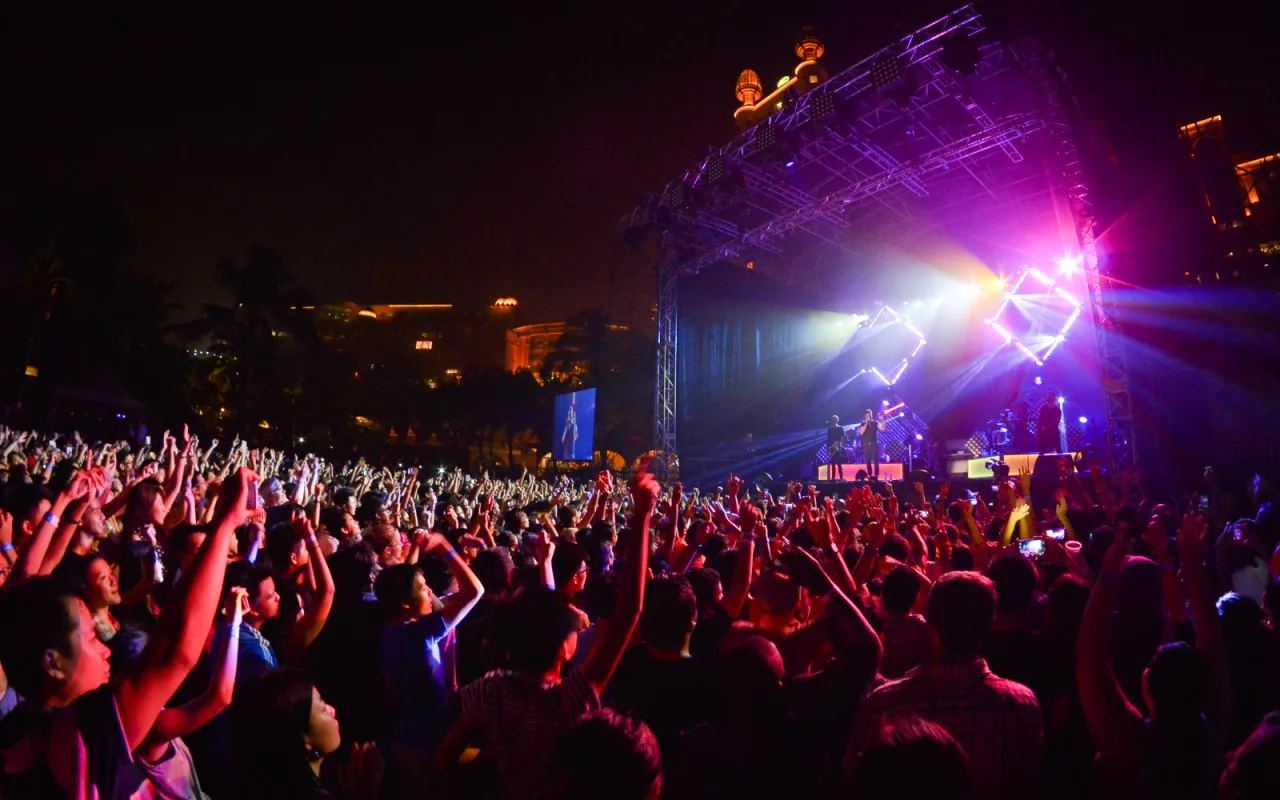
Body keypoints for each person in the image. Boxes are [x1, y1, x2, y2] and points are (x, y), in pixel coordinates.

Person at [848, 571, 1043, 798]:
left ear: (929, 621)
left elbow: (853, 778)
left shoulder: (883, 706)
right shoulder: (1022, 704)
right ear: (992, 621)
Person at [858, 410, 886, 480]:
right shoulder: (862, 423)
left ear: (871, 415)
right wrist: (866, 423)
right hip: (866, 444)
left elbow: (883, 429)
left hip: (874, 443)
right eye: (867, 415)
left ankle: (876, 476)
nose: (868, 416)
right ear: (865, 416)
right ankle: (870, 475)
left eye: (869, 415)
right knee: (868, 460)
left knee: (876, 460)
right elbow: (861, 432)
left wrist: (882, 420)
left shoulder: (875, 423)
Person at [826, 416, 847, 480]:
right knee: (832, 463)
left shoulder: (840, 428)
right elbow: (828, 439)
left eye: (834, 420)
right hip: (832, 447)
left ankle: (841, 478)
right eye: (832, 420)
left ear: (837, 420)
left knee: (838, 462)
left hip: (838, 446)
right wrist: (829, 447)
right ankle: (833, 478)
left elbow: (843, 437)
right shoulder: (830, 429)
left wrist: (840, 444)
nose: (833, 421)